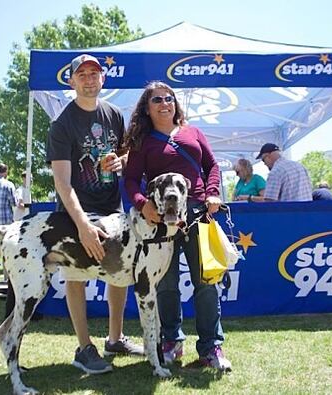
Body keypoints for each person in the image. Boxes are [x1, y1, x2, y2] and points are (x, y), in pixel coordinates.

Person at [46, 54, 143, 375]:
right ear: (71, 81)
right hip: (76, 212)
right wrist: (83, 225)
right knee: (76, 275)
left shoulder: (114, 114)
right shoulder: (62, 124)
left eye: (95, 73)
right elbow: (61, 181)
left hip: (112, 207)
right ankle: (83, 347)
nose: (89, 79)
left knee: (121, 272)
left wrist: (122, 160)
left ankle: (115, 339)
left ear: (103, 79)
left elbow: (129, 154)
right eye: (82, 74)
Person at [124, 81, 231, 371]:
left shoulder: (193, 132)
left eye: (168, 98)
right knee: (166, 285)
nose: (164, 103)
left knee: (206, 283)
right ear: (147, 108)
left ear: (175, 103)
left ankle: (211, 348)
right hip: (160, 220)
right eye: (156, 99)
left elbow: (212, 166)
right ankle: (171, 341)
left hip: (198, 214)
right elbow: (131, 179)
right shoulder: (142, 141)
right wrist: (141, 203)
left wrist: (212, 192)